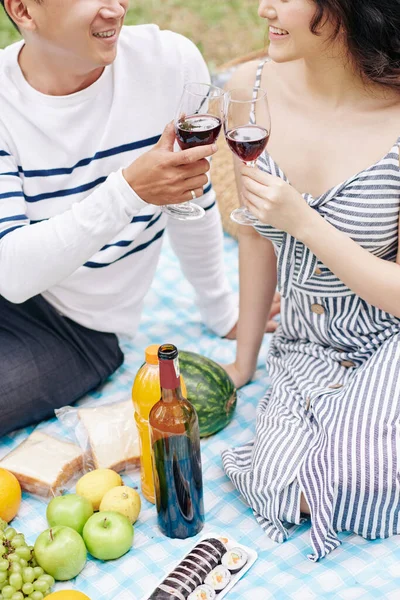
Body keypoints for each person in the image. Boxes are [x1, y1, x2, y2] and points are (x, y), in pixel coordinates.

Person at [0, 0, 282, 437]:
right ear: (23, 10)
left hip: (75, 329)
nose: (115, 9)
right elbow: (12, 274)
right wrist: (129, 190)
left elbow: (191, 198)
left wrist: (220, 308)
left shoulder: (168, 63)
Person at [222, 0, 400, 561]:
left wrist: (302, 221)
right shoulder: (248, 92)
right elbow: (253, 239)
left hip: (387, 337)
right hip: (304, 343)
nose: (262, 8)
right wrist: (245, 361)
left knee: (359, 479)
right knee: (282, 487)